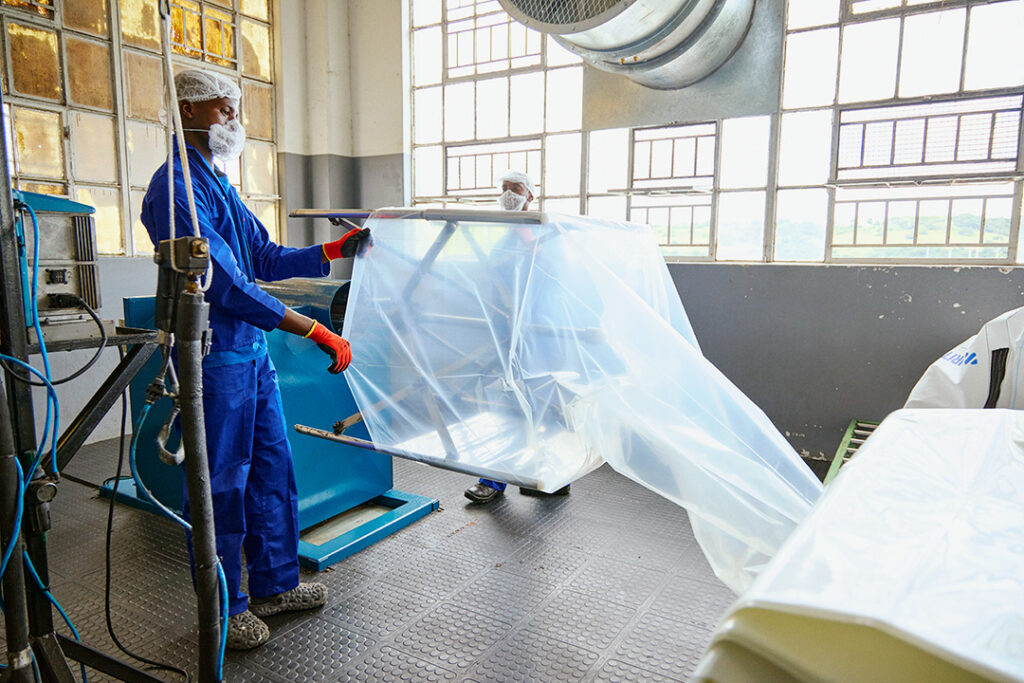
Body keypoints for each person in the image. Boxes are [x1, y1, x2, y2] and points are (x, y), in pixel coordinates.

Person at [141, 69, 371, 650]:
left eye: (234, 111)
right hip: (214, 361)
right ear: (189, 113)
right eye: (224, 111)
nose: (233, 122)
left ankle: (273, 583)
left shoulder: (218, 184)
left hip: (251, 357)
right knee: (219, 483)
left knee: (272, 470)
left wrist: (332, 250)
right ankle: (225, 605)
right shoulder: (173, 190)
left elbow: (263, 257)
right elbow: (228, 285)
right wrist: (315, 328)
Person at [463, 170, 571, 504]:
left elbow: (555, 279)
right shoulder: (503, 234)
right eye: (505, 189)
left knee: (545, 405)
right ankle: (494, 480)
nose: (509, 194)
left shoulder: (546, 233)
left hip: (539, 334)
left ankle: (550, 476)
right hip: (506, 333)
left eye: (517, 189)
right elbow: (490, 278)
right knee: (507, 404)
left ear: (531, 195)